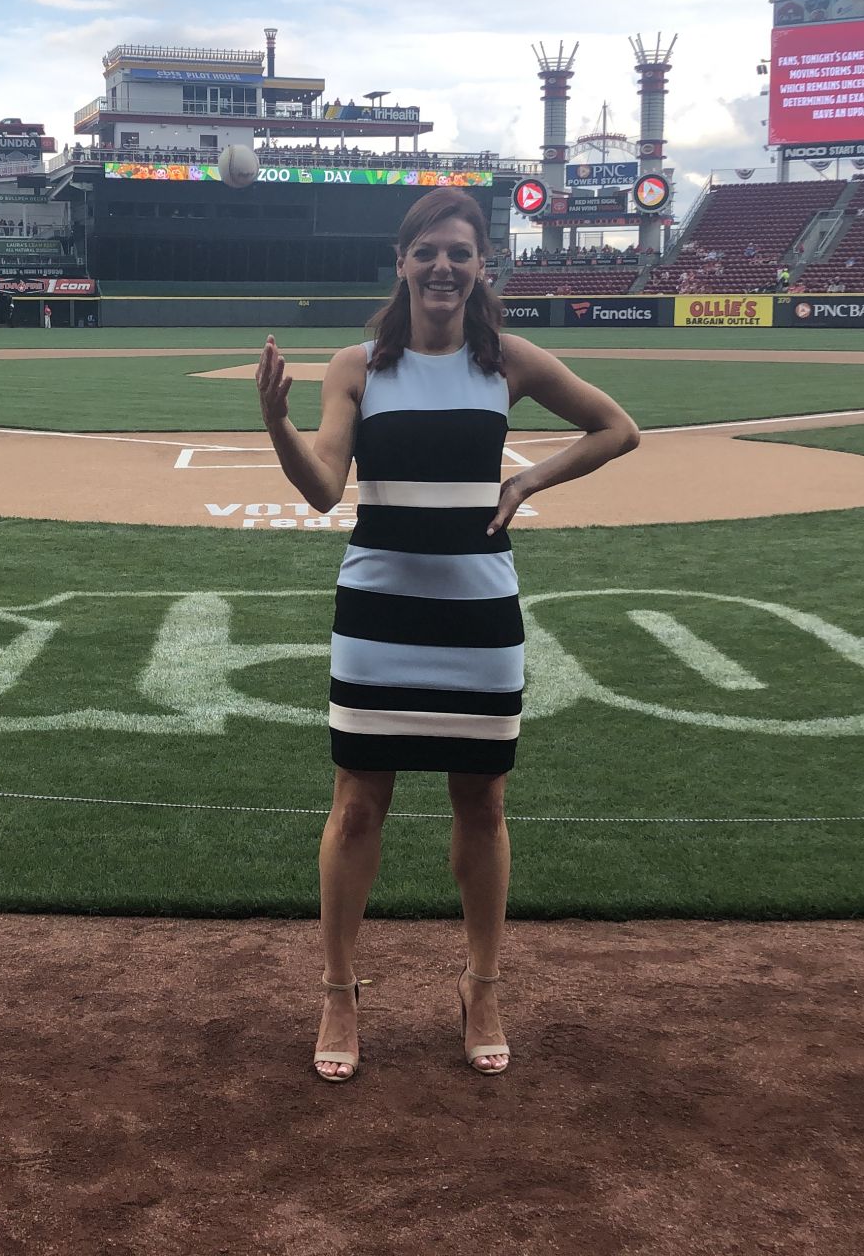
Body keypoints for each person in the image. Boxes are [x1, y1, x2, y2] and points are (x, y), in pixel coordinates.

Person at [254, 187, 638, 1083]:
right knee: (357, 803)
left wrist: (531, 479)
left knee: (485, 805)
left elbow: (616, 429)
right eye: (428, 252)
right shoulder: (357, 367)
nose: (443, 267)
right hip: (379, 610)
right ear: (402, 262)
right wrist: (276, 420)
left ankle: (483, 986)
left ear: (480, 266)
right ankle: (340, 992)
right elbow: (321, 489)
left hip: (478, 614)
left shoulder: (506, 360)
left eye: (460, 252)